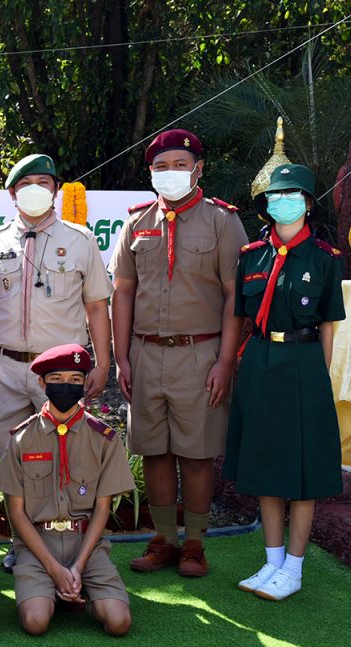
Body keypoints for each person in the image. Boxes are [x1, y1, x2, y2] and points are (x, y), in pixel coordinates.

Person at [110, 129, 248, 577]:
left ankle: (196, 544)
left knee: (197, 452)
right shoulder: (136, 222)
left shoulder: (222, 221)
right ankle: (165, 539)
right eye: (161, 167)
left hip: (201, 352)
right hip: (146, 353)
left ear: (198, 169)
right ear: (150, 173)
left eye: (180, 165)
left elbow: (235, 297)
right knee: (154, 450)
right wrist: (122, 358)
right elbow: (123, 294)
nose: (171, 174)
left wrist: (226, 362)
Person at [0, 153, 114, 574]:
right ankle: (22, 543)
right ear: (13, 192)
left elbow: (96, 306)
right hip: (3, 365)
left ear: (56, 190)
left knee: (63, 456)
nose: (36, 188)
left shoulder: (82, 240)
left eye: (45, 181)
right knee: (10, 458)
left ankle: (64, 544)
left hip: (60, 374)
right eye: (26, 182)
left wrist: (101, 362)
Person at [225, 164, 345, 601]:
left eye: (292, 194)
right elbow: (240, 319)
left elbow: (329, 327)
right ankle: (272, 561)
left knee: (303, 468)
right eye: (276, 195)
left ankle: (294, 568)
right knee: (265, 464)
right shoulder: (250, 255)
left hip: (304, 363)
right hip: (259, 359)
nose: (282, 201)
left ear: (308, 203)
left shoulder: (325, 260)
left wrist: (320, 379)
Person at [0, 344, 135, 636]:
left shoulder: (104, 440)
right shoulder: (22, 438)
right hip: (37, 544)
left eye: (74, 380)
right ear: (42, 383)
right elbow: (17, 515)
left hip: (86, 544)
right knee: (35, 622)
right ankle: (58, 590)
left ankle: (83, 596)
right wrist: (55, 569)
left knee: (119, 623)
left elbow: (102, 509)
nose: (65, 386)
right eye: (56, 380)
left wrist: (78, 566)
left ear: (85, 383)